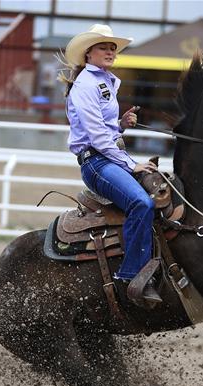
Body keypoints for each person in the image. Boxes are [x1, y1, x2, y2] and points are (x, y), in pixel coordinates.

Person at [59, 24, 161, 304]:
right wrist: (131, 164)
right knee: (142, 203)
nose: (110, 52)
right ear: (88, 53)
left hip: (105, 157)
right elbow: (95, 137)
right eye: (104, 47)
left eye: (113, 48)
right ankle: (130, 275)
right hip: (97, 163)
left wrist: (120, 125)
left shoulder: (104, 81)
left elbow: (102, 130)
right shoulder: (85, 85)